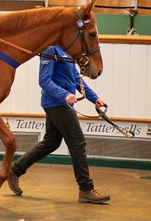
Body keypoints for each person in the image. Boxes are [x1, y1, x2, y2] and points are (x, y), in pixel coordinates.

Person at [7, 45, 111, 204]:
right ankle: (86, 189)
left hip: (61, 103)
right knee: (77, 143)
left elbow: (76, 78)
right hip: (57, 103)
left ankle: (15, 171)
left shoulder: (68, 50)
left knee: (51, 142)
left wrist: (94, 98)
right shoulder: (51, 49)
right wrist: (64, 95)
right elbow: (44, 80)